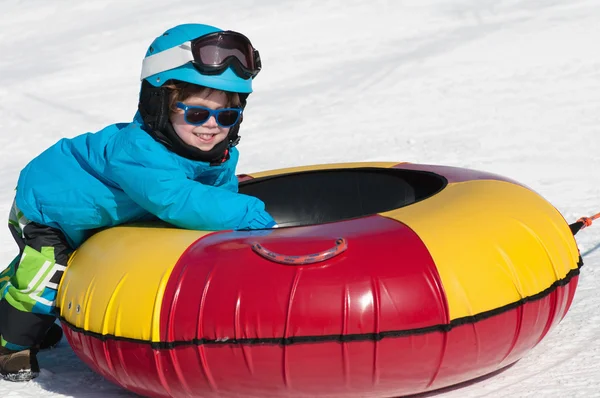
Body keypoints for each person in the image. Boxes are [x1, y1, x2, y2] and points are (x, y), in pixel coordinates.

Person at [0, 23, 277, 381]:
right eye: (196, 114)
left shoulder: (218, 155)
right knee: (44, 279)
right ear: (159, 105)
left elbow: (217, 196)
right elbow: (177, 200)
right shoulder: (137, 150)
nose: (211, 126)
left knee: (40, 275)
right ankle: (13, 344)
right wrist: (251, 213)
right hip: (48, 212)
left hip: (95, 219)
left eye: (226, 116)